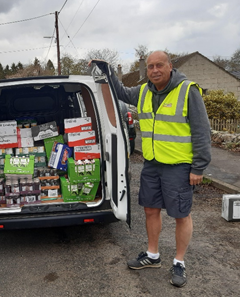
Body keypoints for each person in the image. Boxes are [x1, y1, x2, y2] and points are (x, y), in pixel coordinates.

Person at [90, 51, 211, 287]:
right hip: (153, 164)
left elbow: (201, 131)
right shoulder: (144, 90)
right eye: (150, 67)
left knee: (180, 214)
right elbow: (121, 93)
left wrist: (199, 167)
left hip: (179, 166)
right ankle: (153, 255)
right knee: (150, 210)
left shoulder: (187, 90)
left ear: (170, 66)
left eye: (159, 65)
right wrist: (106, 70)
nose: (154, 70)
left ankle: (179, 262)